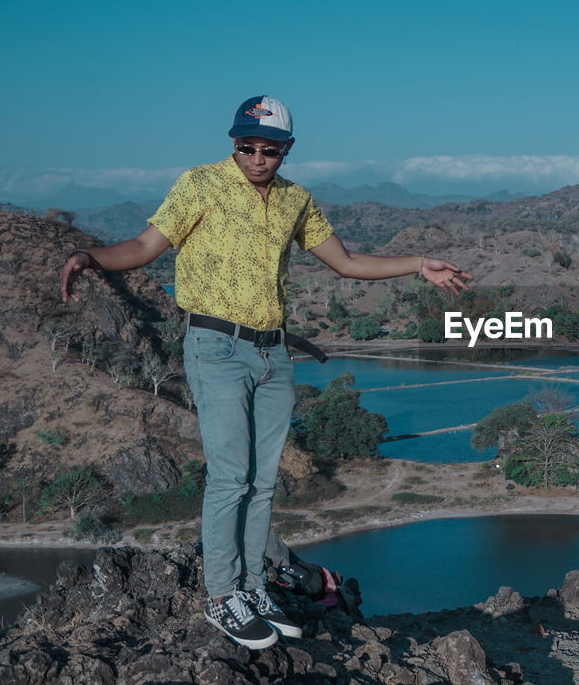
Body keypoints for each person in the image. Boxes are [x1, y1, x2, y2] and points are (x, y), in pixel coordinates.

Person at [59, 95, 471, 649]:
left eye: (268, 149)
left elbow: (347, 263)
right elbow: (143, 245)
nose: (255, 157)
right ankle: (222, 595)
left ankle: (253, 586)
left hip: (274, 354)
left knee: (263, 480)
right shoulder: (200, 185)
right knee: (230, 477)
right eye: (245, 146)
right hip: (216, 345)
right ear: (234, 143)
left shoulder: (296, 200)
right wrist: (91, 256)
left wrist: (418, 264)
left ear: (286, 150)